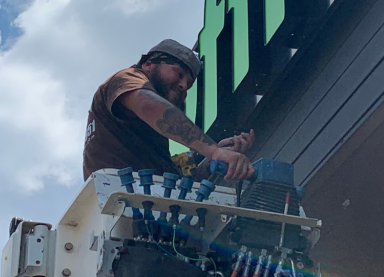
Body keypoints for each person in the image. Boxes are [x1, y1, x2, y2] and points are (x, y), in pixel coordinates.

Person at [83, 39, 255, 183]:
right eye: (179, 74)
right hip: (120, 205)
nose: (183, 86)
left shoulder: (144, 136)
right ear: (148, 65)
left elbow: (177, 182)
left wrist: (215, 160)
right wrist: (214, 151)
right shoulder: (127, 78)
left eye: (188, 85)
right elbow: (147, 104)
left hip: (144, 208)